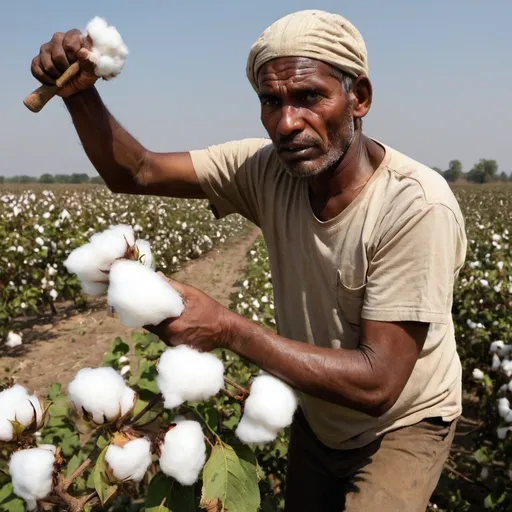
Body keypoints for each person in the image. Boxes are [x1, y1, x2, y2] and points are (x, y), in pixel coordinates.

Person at [30, 9, 467, 511]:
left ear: (359, 98)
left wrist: (228, 328)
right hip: (321, 412)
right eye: (270, 101)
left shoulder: (414, 207)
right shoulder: (267, 169)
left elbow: (378, 384)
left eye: (309, 98)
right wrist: (80, 94)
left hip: (402, 423)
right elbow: (140, 171)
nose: (287, 123)